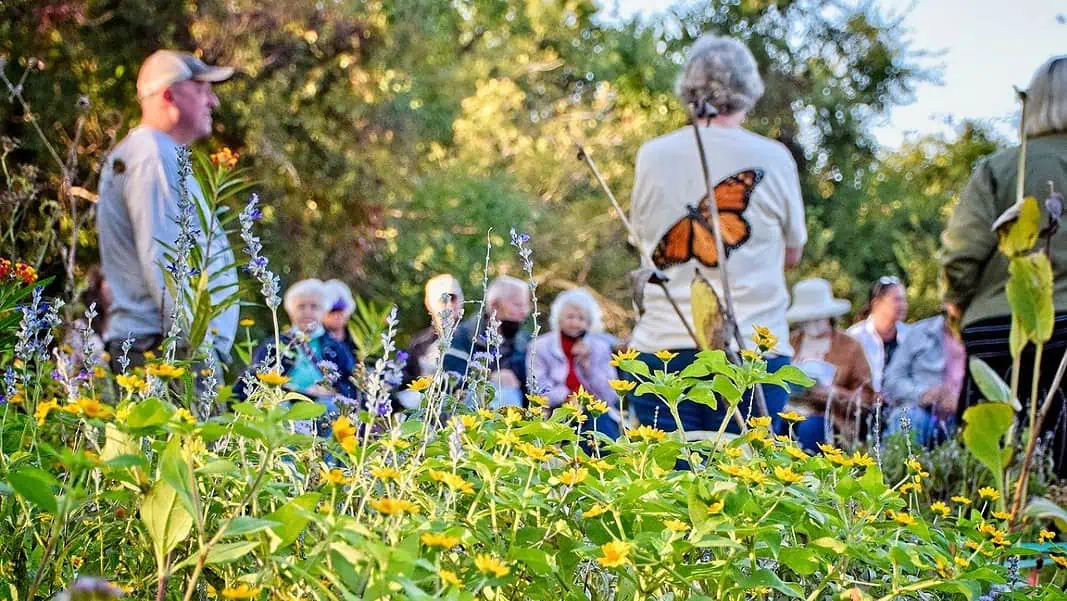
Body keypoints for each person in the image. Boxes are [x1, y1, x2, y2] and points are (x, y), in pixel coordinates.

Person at [626, 33, 806, 436]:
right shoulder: (773, 158)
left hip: (664, 345)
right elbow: (792, 255)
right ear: (749, 91)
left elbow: (642, 241)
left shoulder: (652, 156)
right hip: (753, 350)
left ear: (687, 88)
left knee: (665, 493)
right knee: (744, 487)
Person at [942, 55, 1067, 475]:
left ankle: (988, 532)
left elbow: (963, 251)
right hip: (1062, 326)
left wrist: (957, 302)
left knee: (989, 459)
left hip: (997, 323)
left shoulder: (999, 167)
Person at [96, 50, 238, 372]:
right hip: (164, 350)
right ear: (169, 94)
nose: (212, 101)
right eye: (202, 89)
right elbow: (167, 261)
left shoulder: (157, 153)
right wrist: (199, 353)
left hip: (166, 345)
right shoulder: (152, 156)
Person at [784, 279, 875, 451]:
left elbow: (867, 397)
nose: (812, 323)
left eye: (817, 318)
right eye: (806, 319)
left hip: (831, 418)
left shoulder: (850, 346)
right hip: (790, 410)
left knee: (810, 428)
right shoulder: (790, 342)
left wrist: (833, 393)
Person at [235, 279, 357, 402]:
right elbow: (249, 381)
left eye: (314, 307)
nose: (307, 312)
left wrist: (333, 390)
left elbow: (352, 387)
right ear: (291, 311)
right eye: (301, 306)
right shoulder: (274, 344)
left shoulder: (336, 347)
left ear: (323, 311)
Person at [529, 288, 621, 441]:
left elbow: (610, 394)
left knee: (600, 428)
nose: (575, 322)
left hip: (596, 408)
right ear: (559, 318)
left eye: (581, 318)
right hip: (556, 408)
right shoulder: (540, 346)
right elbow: (536, 385)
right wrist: (568, 397)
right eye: (570, 317)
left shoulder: (599, 347)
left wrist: (587, 365)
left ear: (589, 323)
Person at [443, 276, 530, 408]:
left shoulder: (525, 342)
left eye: (526, 306)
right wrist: (489, 379)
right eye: (517, 305)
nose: (524, 313)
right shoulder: (463, 336)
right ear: (494, 305)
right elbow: (451, 380)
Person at [881, 313, 965, 447]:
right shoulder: (920, 332)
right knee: (910, 419)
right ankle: (895, 466)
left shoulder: (981, 332)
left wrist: (961, 402)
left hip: (963, 417)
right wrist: (922, 394)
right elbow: (891, 380)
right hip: (921, 411)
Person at [397, 274, 465, 409]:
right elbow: (405, 378)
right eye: (443, 299)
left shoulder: (471, 337)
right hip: (425, 407)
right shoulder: (419, 342)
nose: (449, 304)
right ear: (429, 303)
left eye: (453, 298)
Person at [847, 276, 910, 393]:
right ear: (877, 303)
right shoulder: (855, 336)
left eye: (904, 300)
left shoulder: (911, 336)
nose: (904, 305)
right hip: (863, 406)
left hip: (903, 407)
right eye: (897, 299)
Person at [322, 279, 358, 362]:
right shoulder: (317, 342)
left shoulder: (357, 340)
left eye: (340, 310)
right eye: (332, 311)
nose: (336, 315)